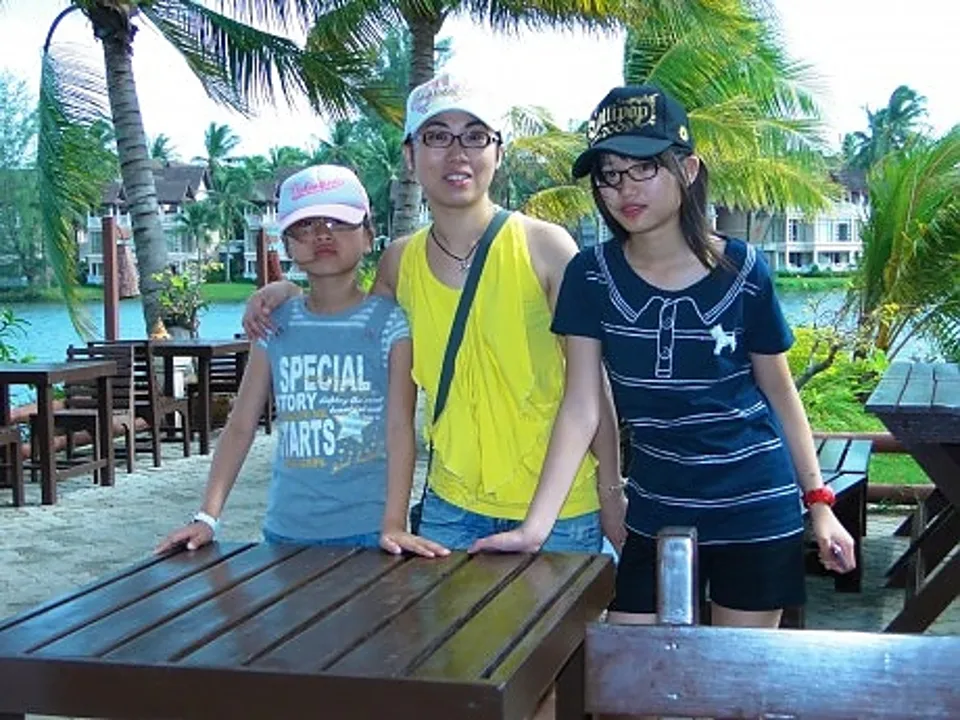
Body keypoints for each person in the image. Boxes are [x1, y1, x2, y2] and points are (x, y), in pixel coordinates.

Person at [473, 84, 856, 629]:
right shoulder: (590, 276)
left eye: (644, 167)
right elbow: (581, 406)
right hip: (657, 510)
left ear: (689, 169)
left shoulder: (744, 270)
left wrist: (819, 505)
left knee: (732, 676)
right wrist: (535, 529)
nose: (624, 188)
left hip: (755, 508)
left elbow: (779, 391)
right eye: (609, 173)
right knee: (632, 670)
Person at [242, 73, 625, 557]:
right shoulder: (399, 262)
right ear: (410, 155)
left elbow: (590, 389)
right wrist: (288, 292)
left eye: (475, 136)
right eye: (437, 136)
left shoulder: (545, 247)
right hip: (449, 510)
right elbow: (349, 321)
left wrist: (611, 492)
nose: (457, 153)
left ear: (498, 152)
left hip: (560, 511)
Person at [157, 165, 446, 558]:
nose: (322, 234)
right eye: (305, 226)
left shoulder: (391, 324)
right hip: (286, 531)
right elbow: (241, 425)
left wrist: (393, 523)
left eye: (338, 222)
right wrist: (207, 517)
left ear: (368, 235)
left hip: (369, 529)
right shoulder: (275, 323)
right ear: (287, 245)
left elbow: (399, 429)